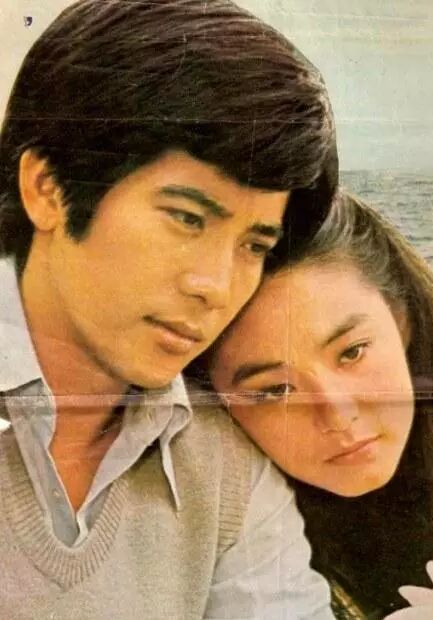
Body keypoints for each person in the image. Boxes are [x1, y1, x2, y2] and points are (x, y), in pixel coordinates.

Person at [0, 0, 339, 618]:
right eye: (186, 218)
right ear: (46, 188)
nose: (216, 287)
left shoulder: (226, 463)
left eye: (254, 246)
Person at [207, 192, 433, 619]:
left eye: (352, 352)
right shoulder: (247, 565)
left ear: (401, 321)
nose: (338, 415)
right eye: (276, 391)